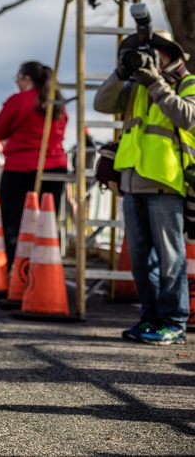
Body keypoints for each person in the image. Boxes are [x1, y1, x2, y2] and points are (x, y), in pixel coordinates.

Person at [95, 27, 194, 346]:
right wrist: (121, 72)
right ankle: (150, 317)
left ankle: (174, 321)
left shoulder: (188, 83)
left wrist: (155, 82)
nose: (150, 58)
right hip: (132, 182)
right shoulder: (135, 86)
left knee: (170, 257)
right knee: (141, 258)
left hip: (167, 181)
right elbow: (101, 103)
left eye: (156, 52)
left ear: (170, 55)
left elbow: (187, 117)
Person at [0, 62, 68, 266]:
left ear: (26, 79)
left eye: (18, 79)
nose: (17, 83)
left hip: (21, 167)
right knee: (46, 223)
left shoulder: (19, 100)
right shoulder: (57, 102)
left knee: (14, 223)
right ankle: (44, 268)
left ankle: (17, 272)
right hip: (55, 167)